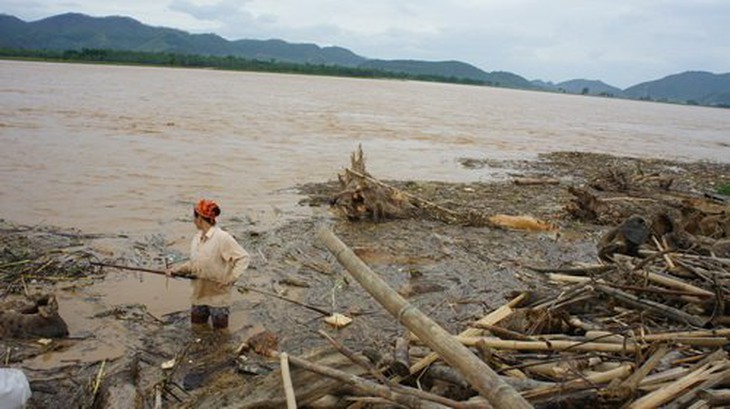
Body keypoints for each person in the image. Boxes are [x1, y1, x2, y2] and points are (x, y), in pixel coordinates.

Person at [169, 199, 250, 329]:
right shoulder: (197, 238)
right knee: (197, 328)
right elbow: (194, 264)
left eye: (194, 217)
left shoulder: (222, 238)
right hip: (199, 295)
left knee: (221, 334)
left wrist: (231, 278)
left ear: (200, 218)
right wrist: (176, 270)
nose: (193, 220)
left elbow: (243, 258)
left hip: (218, 297)